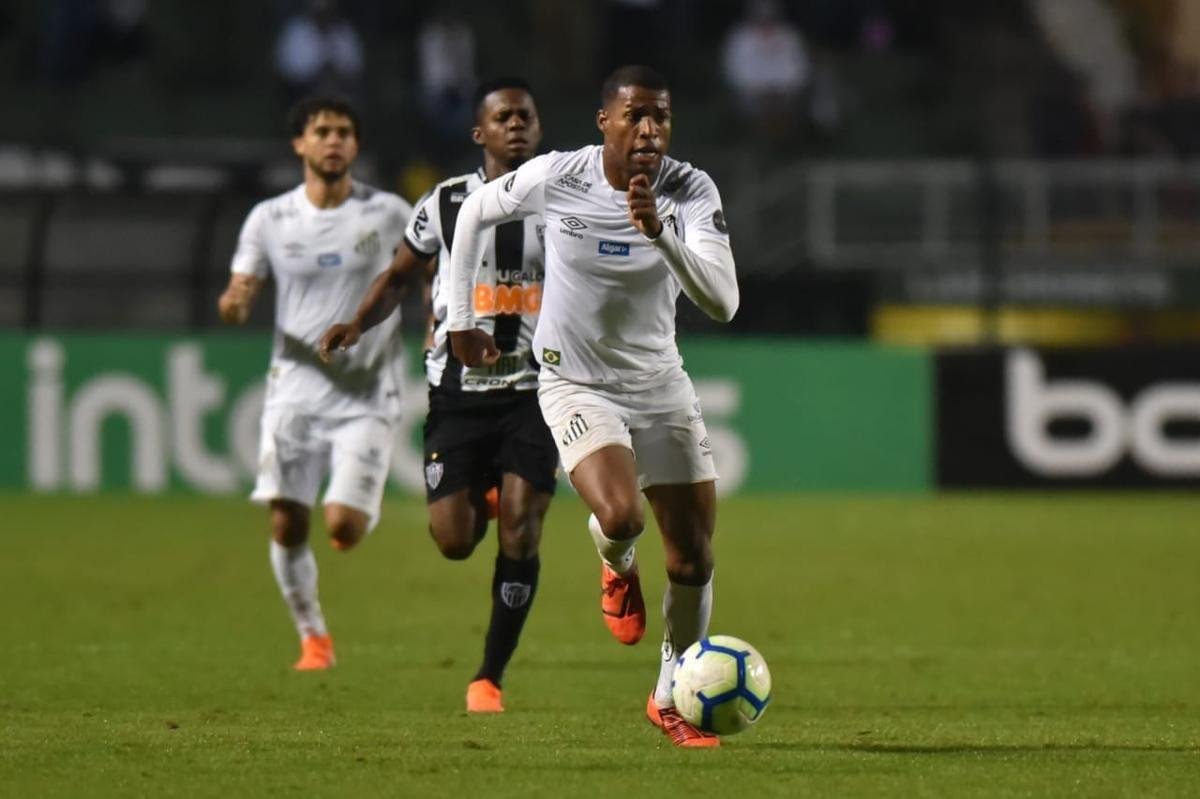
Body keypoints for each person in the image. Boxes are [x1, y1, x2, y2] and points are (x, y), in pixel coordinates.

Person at [445, 65, 739, 747]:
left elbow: (724, 302)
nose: (649, 130)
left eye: (661, 117)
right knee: (620, 513)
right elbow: (477, 213)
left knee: (694, 557)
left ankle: (670, 695)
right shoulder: (558, 175)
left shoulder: (690, 189)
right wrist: (463, 317)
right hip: (575, 380)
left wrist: (662, 233)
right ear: (604, 121)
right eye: (635, 115)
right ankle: (616, 561)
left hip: (660, 381)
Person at [319, 78, 557, 713]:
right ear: (480, 132)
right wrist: (356, 321)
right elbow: (399, 275)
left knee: (521, 529)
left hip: (536, 391)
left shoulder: (565, 204)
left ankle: (489, 677)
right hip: (456, 394)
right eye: (502, 117)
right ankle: (483, 487)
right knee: (453, 541)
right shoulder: (446, 202)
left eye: (525, 116)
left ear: (539, 127)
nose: (515, 125)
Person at [217, 97, 412, 671]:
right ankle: (314, 638)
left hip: (367, 392)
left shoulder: (389, 212)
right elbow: (241, 288)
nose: (334, 141)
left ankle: (348, 524)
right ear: (299, 144)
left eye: (345, 132)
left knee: (344, 528)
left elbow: (424, 271)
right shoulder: (270, 219)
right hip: (295, 391)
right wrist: (233, 303)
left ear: (355, 145)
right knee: (285, 518)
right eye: (322, 131)